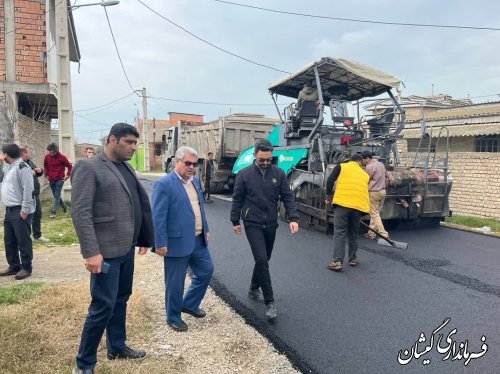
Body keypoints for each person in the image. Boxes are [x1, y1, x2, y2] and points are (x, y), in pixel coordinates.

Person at [70, 123, 154, 374]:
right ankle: (84, 364)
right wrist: (91, 252)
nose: (133, 147)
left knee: (120, 299)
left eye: (135, 143)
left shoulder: (125, 166)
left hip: (125, 248)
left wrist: (141, 239)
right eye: (128, 142)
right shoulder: (88, 166)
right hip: (104, 251)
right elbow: (81, 212)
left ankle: (116, 346)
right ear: (112, 139)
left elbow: (134, 204)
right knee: (102, 306)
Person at [230, 139, 299, 320]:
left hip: (270, 223)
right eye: (262, 160)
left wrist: (293, 218)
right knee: (261, 259)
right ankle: (270, 302)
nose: (266, 163)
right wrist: (235, 221)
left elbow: (287, 197)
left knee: (264, 259)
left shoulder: (279, 173)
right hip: (252, 222)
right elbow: (237, 199)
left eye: (269, 159)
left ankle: (253, 288)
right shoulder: (244, 174)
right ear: (255, 156)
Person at [152, 146, 214, 332]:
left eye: (194, 164)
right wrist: (160, 242)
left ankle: (189, 304)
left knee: (205, 271)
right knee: (175, 282)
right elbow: (158, 216)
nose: (192, 167)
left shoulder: (195, 182)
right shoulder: (164, 185)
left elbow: (199, 208)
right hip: (175, 243)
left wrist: (206, 228)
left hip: (197, 240)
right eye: (188, 163)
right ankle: (173, 317)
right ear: (177, 162)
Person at [325, 153, 370, 272]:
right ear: (359, 162)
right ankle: (353, 259)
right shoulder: (365, 175)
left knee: (340, 232)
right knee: (353, 232)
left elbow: (330, 181)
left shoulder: (341, 167)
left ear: (351, 160)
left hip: (342, 204)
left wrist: (329, 196)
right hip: (358, 207)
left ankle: (337, 262)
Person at [0, 143, 36, 280]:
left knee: (23, 240)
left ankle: (26, 267)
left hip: (20, 210)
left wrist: (25, 210)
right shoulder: (8, 167)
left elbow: (29, 190)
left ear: (6, 154)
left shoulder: (22, 167)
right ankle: (14, 265)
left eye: (2, 153)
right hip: (10, 210)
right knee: (9, 240)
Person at [20, 146, 49, 242]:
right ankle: (26, 237)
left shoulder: (29, 162)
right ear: (23, 153)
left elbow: (37, 172)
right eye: (29, 152)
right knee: (27, 216)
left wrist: (39, 170)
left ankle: (37, 235)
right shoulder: (20, 165)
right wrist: (29, 172)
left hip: (35, 194)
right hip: (27, 195)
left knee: (37, 214)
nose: (30, 153)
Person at [361, 151, 389, 240]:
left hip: (374, 192)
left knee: (374, 214)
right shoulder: (380, 164)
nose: (363, 162)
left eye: (363, 160)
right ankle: (371, 234)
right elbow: (387, 174)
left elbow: (366, 179)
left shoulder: (369, 167)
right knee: (376, 213)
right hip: (383, 191)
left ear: (367, 158)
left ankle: (384, 234)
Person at [44, 143, 72, 218]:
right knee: (57, 196)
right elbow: (46, 166)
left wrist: (67, 175)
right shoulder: (47, 157)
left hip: (60, 179)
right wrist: (46, 175)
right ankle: (65, 208)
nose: (51, 154)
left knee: (57, 195)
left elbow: (69, 166)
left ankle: (53, 212)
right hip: (51, 179)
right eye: (49, 152)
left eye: (52, 152)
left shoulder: (62, 158)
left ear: (56, 150)